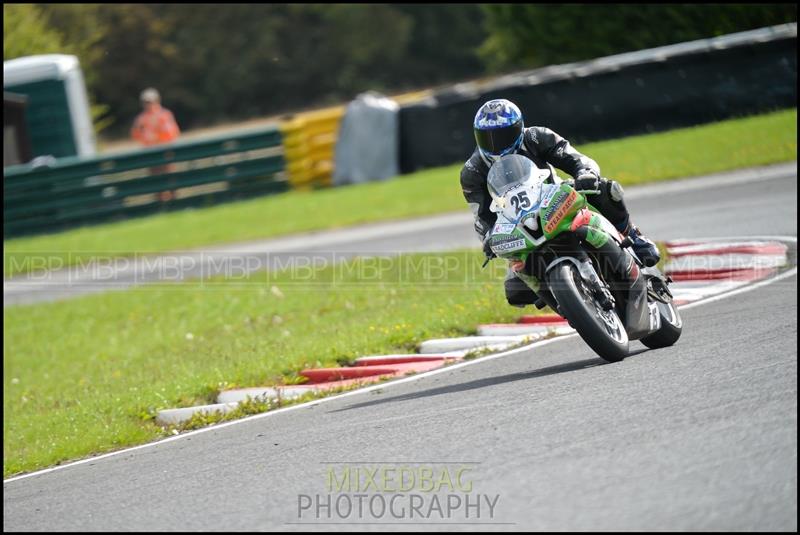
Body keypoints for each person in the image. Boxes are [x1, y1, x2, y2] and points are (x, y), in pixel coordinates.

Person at [461, 98, 661, 308]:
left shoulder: (536, 136)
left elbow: (574, 158)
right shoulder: (472, 171)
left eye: (502, 135)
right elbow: (481, 214)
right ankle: (563, 301)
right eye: (487, 137)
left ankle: (632, 235)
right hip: (517, 221)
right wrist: (487, 237)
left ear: (518, 127)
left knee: (604, 189)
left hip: (554, 196)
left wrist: (585, 173)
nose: (496, 143)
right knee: (515, 291)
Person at [130, 87, 181, 201]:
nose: (148, 105)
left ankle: (175, 201)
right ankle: (160, 204)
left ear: (157, 101)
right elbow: (135, 135)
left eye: (150, 102)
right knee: (156, 181)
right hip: (151, 154)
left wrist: (158, 136)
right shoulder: (141, 119)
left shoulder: (164, 115)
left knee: (171, 178)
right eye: (145, 102)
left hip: (166, 152)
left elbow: (173, 133)